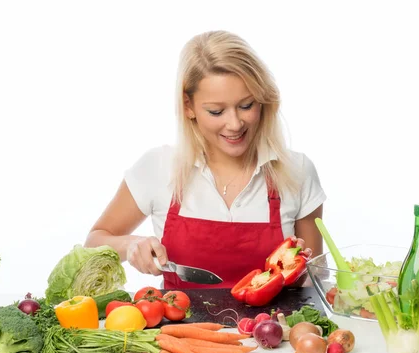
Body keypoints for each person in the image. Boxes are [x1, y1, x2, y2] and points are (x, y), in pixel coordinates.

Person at [85, 30, 326, 289]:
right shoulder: (159, 167)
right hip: (180, 329)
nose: (234, 124)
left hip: (273, 329)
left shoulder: (297, 171)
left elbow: (314, 281)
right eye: (216, 111)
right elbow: (94, 242)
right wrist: (130, 245)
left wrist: (298, 268)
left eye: (246, 105)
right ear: (188, 106)